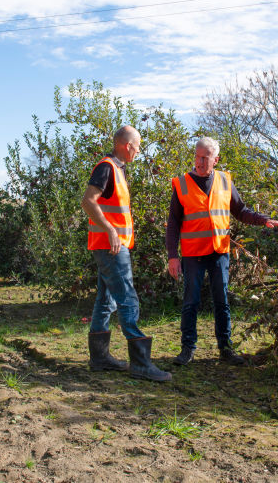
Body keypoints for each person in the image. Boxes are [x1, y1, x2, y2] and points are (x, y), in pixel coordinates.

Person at [166, 137, 278, 365]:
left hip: (219, 252)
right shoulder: (181, 184)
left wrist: (264, 220)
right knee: (191, 301)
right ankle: (187, 349)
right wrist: (173, 256)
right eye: (197, 156)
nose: (200, 162)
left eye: (205, 157)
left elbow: (241, 210)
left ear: (216, 159)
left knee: (222, 301)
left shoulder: (224, 180)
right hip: (193, 254)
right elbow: (173, 223)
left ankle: (225, 348)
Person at [81, 125, 172, 382]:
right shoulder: (107, 167)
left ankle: (100, 358)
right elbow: (88, 200)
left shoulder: (116, 169)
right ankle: (141, 363)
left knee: (106, 299)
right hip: (111, 246)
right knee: (128, 298)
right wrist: (109, 229)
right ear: (127, 146)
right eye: (138, 146)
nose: (139, 151)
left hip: (111, 245)